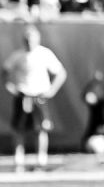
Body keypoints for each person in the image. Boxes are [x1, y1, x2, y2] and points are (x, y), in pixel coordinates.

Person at [3, 25, 67, 172]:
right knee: (19, 129)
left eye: (31, 39)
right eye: (26, 39)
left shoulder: (44, 54)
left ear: (37, 39)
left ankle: (41, 160)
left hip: (39, 96)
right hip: (23, 95)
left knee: (41, 129)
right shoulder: (17, 56)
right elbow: (5, 71)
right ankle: (19, 161)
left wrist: (52, 90)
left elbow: (61, 73)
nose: (29, 42)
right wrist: (10, 86)